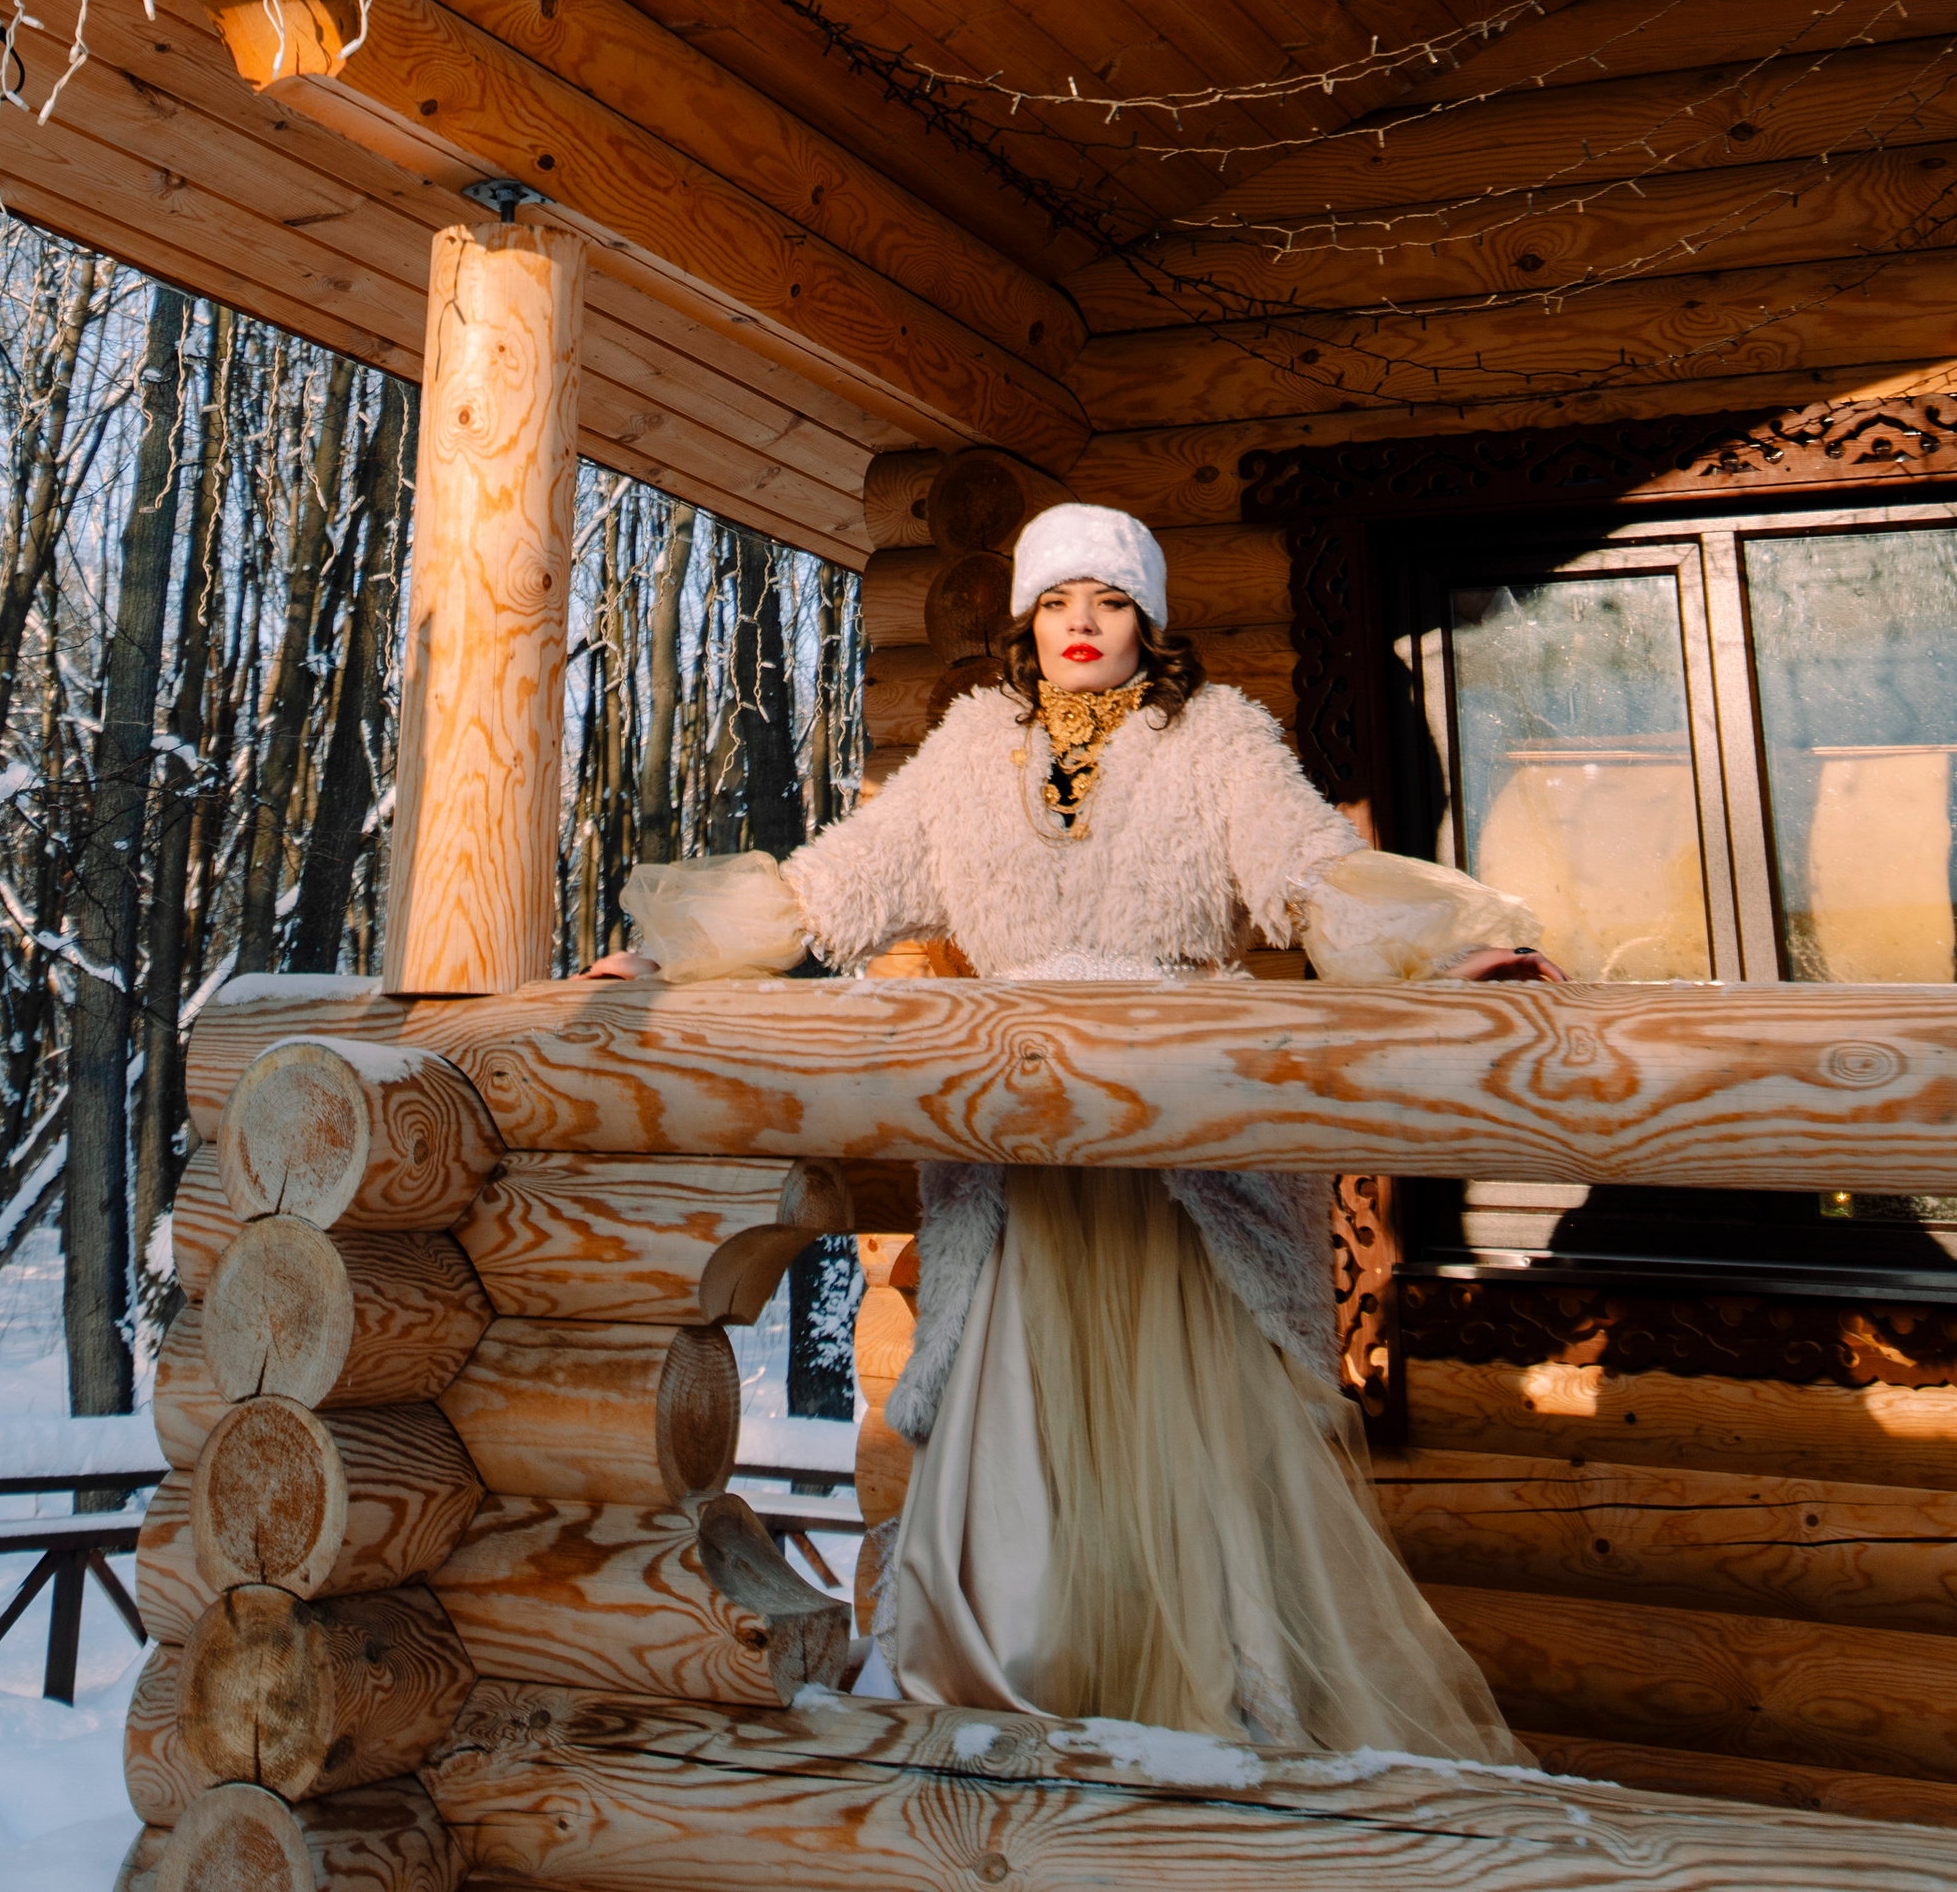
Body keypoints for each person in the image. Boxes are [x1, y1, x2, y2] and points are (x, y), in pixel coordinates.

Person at [592, 501, 1561, 1759]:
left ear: (1147, 620)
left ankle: (1226, 1718)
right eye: (1055, 602)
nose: (1081, 625)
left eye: (1107, 600)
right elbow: (829, 887)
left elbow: (1311, 874)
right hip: (1018, 1156)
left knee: (1192, 1451)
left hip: (1175, 1155)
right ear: (1025, 623)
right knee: (1015, 1430)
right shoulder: (967, 753)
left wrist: (1452, 949)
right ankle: (1005, 1710)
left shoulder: (1214, 738)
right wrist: (670, 958)